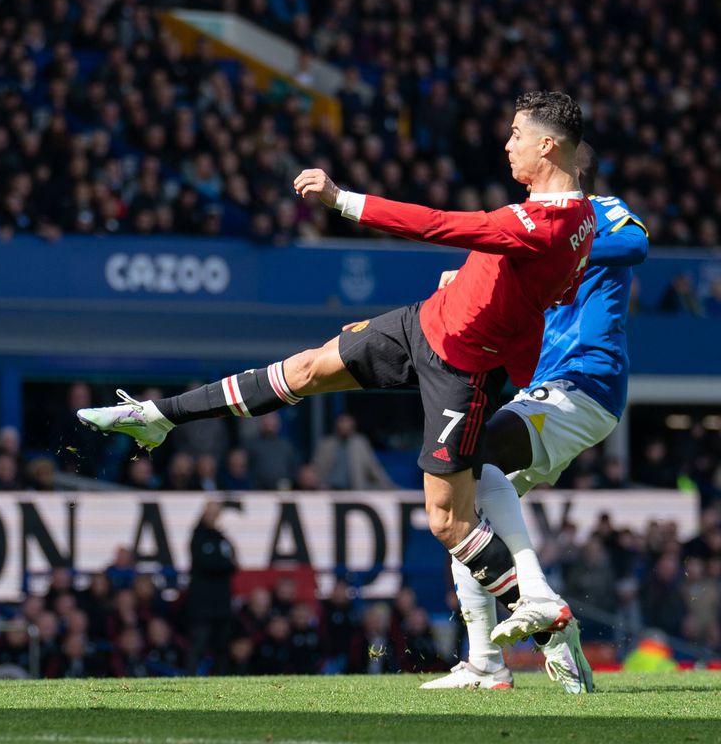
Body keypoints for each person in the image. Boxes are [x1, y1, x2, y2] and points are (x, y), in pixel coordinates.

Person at [78, 91, 595, 643]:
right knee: (303, 370)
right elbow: (542, 292)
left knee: (448, 522)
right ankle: (159, 416)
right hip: (425, 323)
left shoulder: (541, 224)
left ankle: (542, 615)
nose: (508, 142)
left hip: (462, 371)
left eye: (517, 133)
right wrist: (469, 285)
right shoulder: (582, 217)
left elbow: (436, 223)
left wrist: (340, 198)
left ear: (548, 144)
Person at [421, 142, 647, 694]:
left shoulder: (604, 211)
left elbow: (638, 243)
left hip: (583, 383)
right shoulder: (532, 225)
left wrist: (561, 253)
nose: (514, 162)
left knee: (471, 457)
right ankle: (492, 662)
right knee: (461, 506)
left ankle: (538, 599)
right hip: (544, 388)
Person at [185, 501, 237, 675]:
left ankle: (220, 680)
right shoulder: (198, 537)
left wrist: (222, 564)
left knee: (222, 646)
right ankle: (191, 677)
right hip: (202, 603)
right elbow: (206, 563)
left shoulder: (222, 538)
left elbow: (232, 563)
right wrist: (223, 565)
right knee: (199, 643)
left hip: (221, 602)